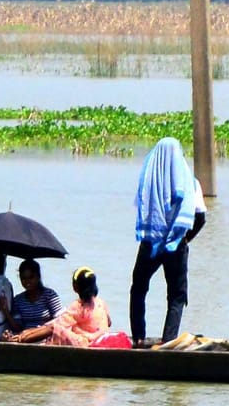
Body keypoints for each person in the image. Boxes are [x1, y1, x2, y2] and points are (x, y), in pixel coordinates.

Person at [129, 137, 207, 345]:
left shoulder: (148, 181)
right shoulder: (191, 183)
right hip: (177, 245)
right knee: (177, 296)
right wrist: (183, 238)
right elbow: (200, 217)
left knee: (138, 288)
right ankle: (168, 341)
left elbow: (142, 209)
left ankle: (137, 338)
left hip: (150, 243)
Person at [15, 266, 114, 346]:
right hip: (100, 340)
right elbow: (109, 322)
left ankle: (22, 340)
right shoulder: (101, 302)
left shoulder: (78, 306)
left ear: (75, 287)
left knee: (55, 328)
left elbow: (55, 325)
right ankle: (23, 337)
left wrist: (26, 335)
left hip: (86, 343)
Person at [0, 258, 63, 341]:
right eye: (24, 278)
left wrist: (33, 332)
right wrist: (5, 310)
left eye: (31, 277)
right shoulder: (19, 300)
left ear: (38, 277)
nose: (27, 282)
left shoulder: (49, 295)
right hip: (25, 339)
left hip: (46, 339)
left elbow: (61, 321)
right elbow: (17, 327)